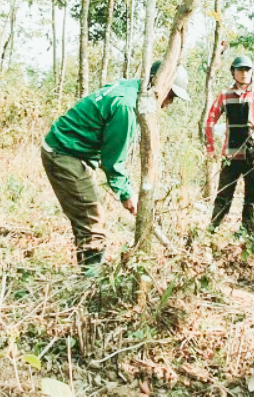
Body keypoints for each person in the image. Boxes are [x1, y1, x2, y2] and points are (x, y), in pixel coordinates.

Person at [42, 62, 191, 266]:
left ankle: (87, 269)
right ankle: (90, 282)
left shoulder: (132, 88)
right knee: (93, 221)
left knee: (87, 218)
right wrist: (126, 193)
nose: (168, 104)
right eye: (170, 96)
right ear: (157, 84)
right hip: (64, 153)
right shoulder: (126, 106)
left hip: (71, 151)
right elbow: (112, 161)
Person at [205, 56, 254, 232]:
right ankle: (213, 229)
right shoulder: (225, 94)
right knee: (223, 194)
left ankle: (247, 232)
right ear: (233, 72)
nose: (244, 73)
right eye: (240, 70)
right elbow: (210, 120)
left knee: (251, 197)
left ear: (252, 72)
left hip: (252, 154)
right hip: (230, 154)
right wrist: (210, 148)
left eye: (247, 70)